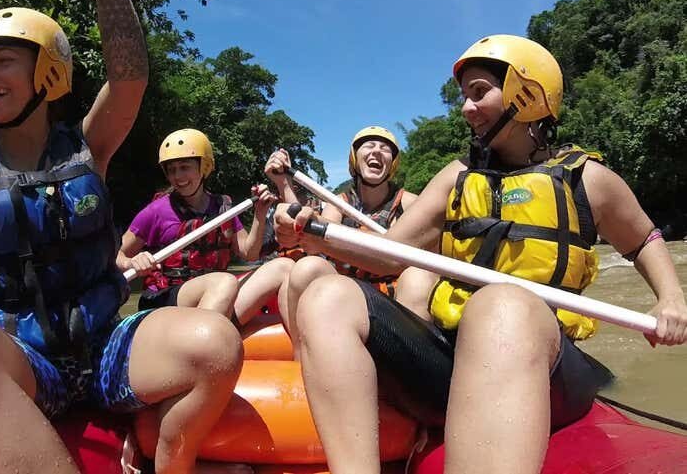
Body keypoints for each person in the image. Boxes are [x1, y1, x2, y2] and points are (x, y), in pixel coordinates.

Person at [274, 35, 687, 474]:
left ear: (527, 95)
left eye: (479, 93)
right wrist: (314, 238)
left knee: (500, 303)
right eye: (464, 96)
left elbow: (644, 240)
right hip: (450, 366)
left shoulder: (588, 179)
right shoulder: (455, 178)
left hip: (542, 370)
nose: (466, 108)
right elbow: (389, 255)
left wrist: (670, 298)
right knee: (327, 295)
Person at [0, 0, 245, 473]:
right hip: (25, 357)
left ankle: (172, 462)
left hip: (106, 347)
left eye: (3, 59)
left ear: (47, 68)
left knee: (217, 346)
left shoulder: (86, 147)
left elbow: (129, 79)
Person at [264, 127, 421, 359]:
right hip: (348, 297)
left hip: (397, 300)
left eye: (385, 148)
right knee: (307, 268)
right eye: (368, 146)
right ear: (354, 158)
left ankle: (408, 362)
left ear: (393, 162)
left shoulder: (411, 203)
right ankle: (302, 358)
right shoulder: (338, 203)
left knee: (417, 277)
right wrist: (284, 184)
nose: (377, 151)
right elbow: (312, 236)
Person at [116, 128, 293, 328]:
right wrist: (132, 262)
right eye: (171, 169)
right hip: (166, 301)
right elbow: (116, 255)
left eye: (185, 167)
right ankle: (196, 348)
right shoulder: (155, 211)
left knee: (284, 267)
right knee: (223, 282)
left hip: (217, 295)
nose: (178, 176)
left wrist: (260, 214)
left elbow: (249, 253)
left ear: (204, 167)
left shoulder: (223, 209)